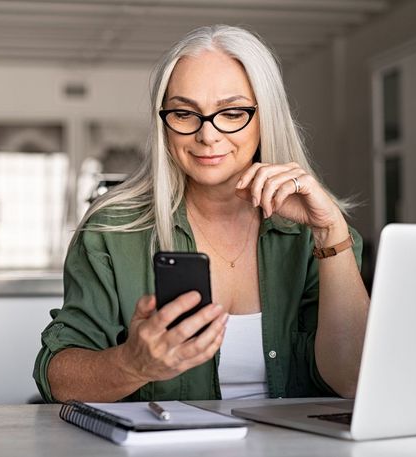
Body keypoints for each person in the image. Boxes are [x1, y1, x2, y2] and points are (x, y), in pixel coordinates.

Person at [33, 25, 370, 403]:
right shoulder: (112, 230)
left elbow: (354, 380)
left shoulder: (320, 235)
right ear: (164, 124)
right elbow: (58, 379)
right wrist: (132, 364)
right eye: (184, 113)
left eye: (231, 113)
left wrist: (330, 233)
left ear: (265, 117)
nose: (207, 135)